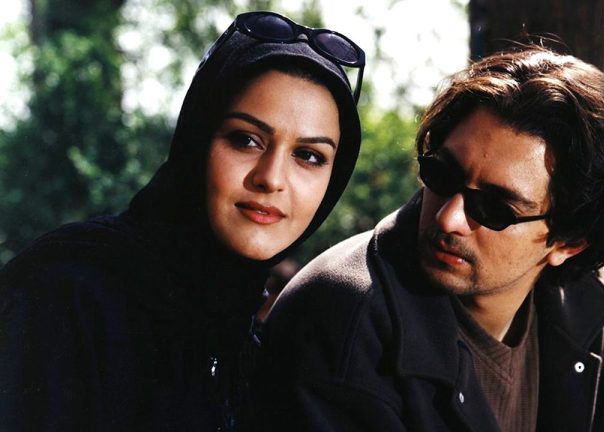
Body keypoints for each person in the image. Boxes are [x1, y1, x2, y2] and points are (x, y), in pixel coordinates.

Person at [0, 11, 364, 431]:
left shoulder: (256, 352)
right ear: (197, 141)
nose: (271, 178)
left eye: (309, 156)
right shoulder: (67, 291)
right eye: (245, 139)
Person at [263, 47, 604, 431]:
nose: (448, 218)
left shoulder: (590, 300)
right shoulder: (342, 318)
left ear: (568, 243)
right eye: (442, 175)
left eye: (495, 208)